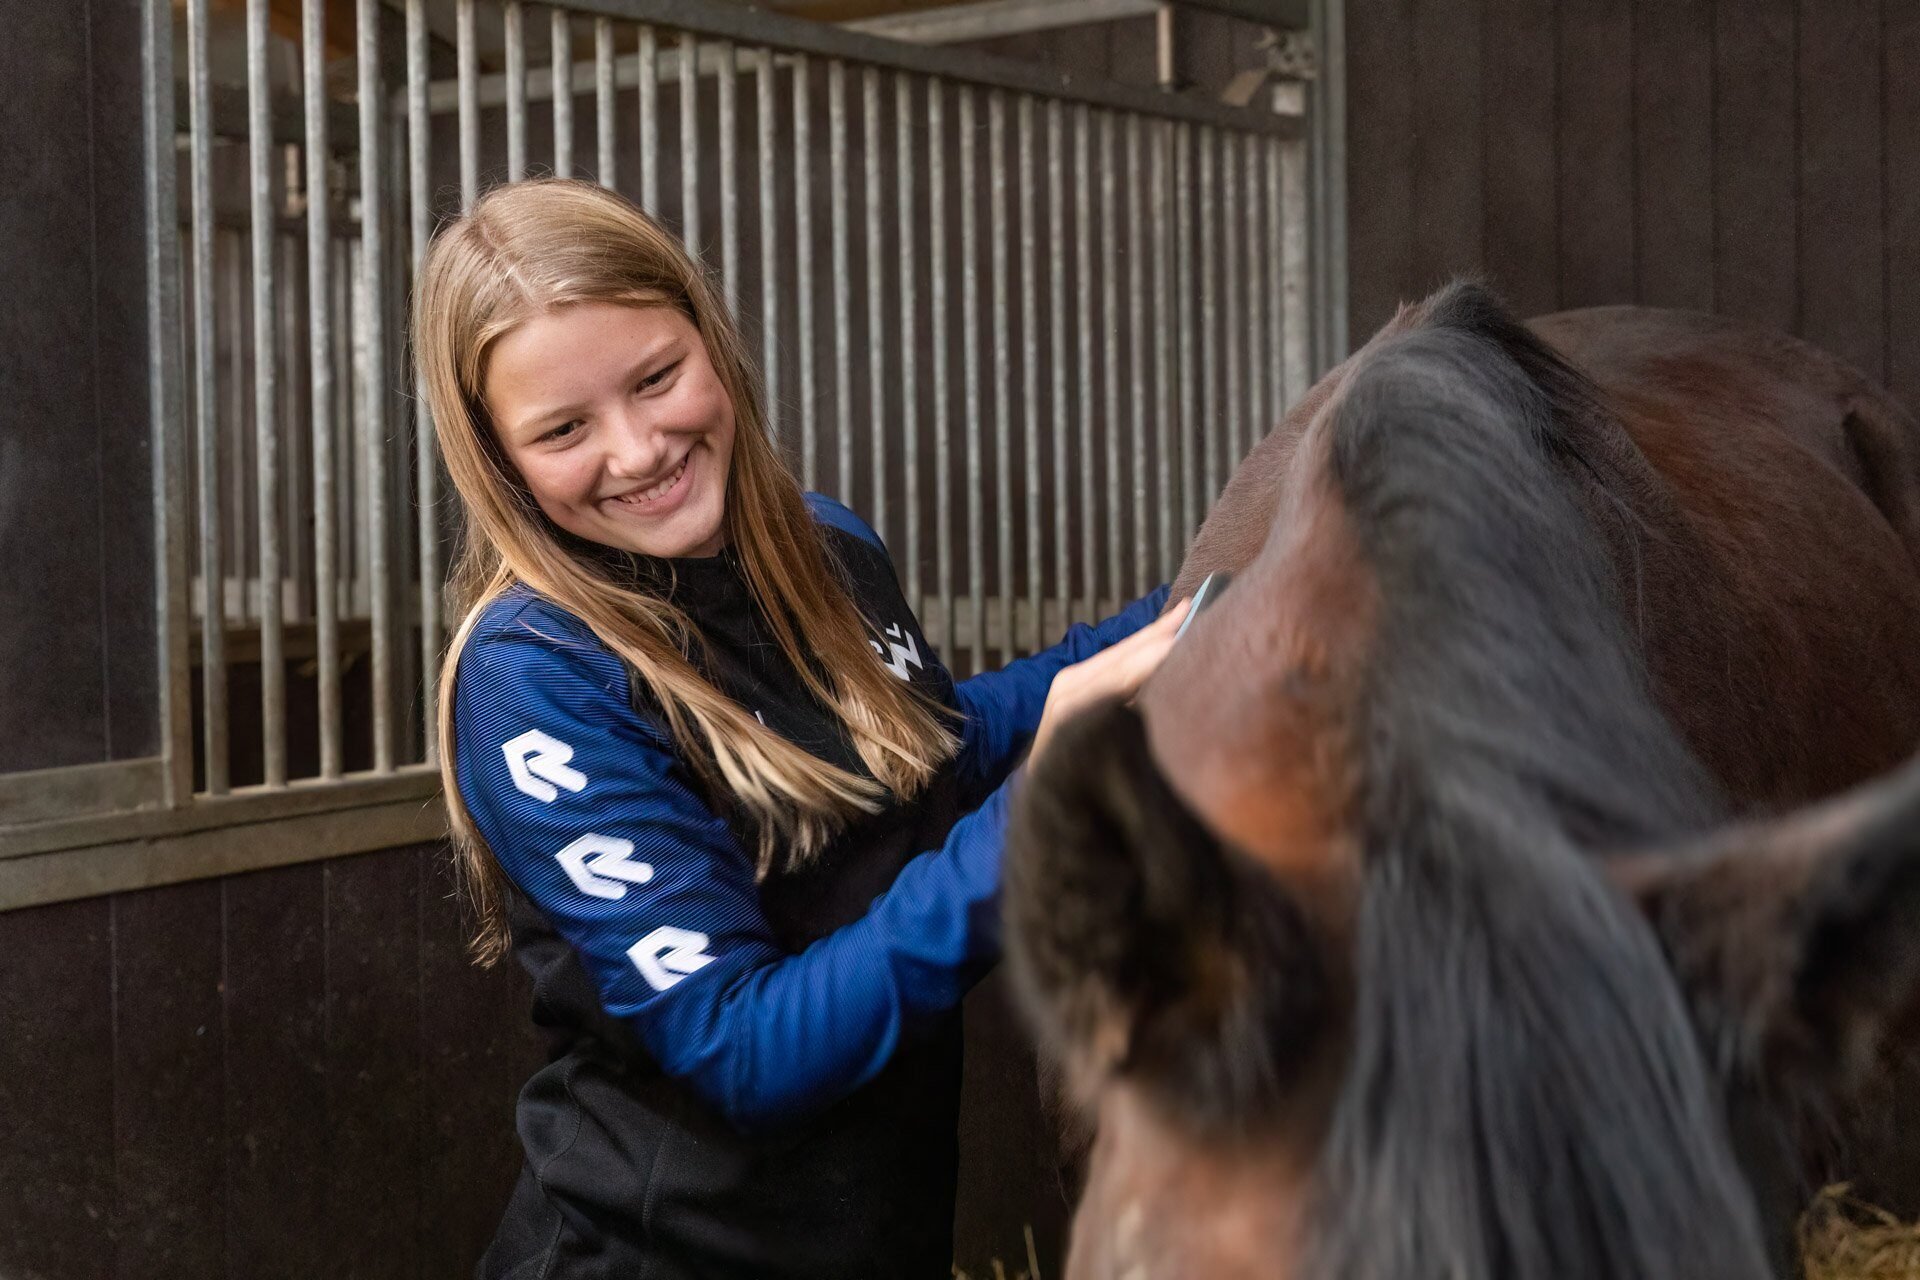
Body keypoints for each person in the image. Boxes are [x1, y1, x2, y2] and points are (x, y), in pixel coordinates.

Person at [414, 178, 1185, 1280]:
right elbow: (744, 1045)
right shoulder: (536, 676)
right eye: (565, 428)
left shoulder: (825, 550)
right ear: (497, 458)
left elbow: (930, 758)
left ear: (712, 341)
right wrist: (1047, 813)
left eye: (656, 377)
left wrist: (1201, 607)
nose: (638, 450)